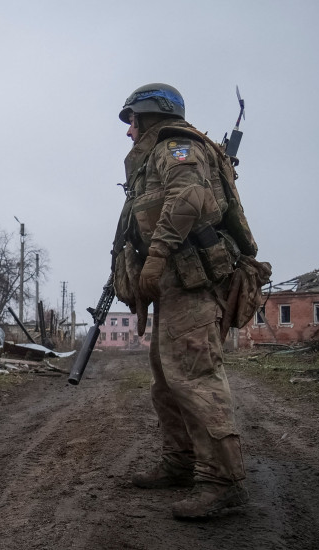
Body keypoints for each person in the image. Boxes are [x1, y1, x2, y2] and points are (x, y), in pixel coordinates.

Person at [112, 83, 249, 519]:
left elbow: (188, 199)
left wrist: (155, 257)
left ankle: (223, 483)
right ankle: (180, 462)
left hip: (190, 281)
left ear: (150, 115)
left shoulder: (176, 148)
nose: (128, 130)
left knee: (195, 378)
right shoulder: (151, 157)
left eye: (132, 120)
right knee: (166, 380)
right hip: (172, 284)